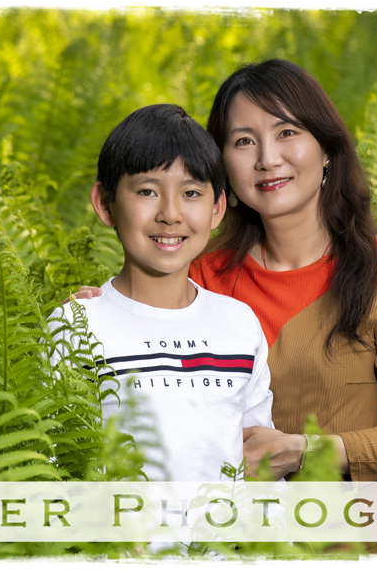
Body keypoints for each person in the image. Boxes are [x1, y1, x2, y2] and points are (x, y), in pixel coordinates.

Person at [73, 59, 377, 487]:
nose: (268, 159)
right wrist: (96, 314)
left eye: (287, 132)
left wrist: (305, 451)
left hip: (360, 544)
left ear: (326, 149)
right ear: (220, 167)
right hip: (218, 541)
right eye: (244, 141)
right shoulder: (196, 275)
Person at [49, 104, 274, 482]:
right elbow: (51, 468)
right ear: (105, 204)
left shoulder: (239, 324)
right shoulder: (75, 327)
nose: (170, 214)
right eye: (148, 191)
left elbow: (260, 461)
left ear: (217, 208)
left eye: (191, 193)